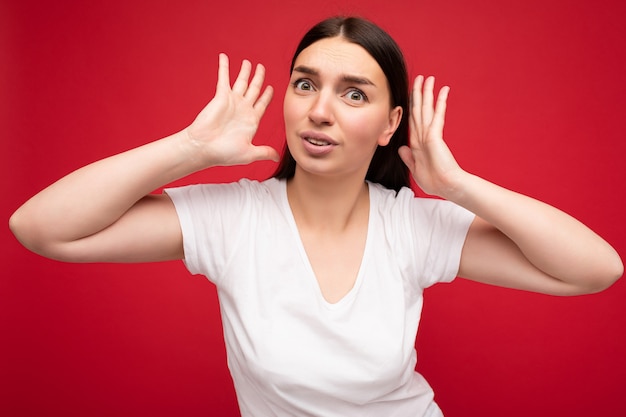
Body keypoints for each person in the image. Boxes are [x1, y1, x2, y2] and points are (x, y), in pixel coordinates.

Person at [9, 16, 623, 417]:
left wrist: (459, 187)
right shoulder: (233, 219)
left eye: (354, 93)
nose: (320, 110)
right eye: (306, 84)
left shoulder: (412, 226)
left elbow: (595, 270)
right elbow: (40, 228)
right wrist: (188, 151)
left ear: (390, 125)